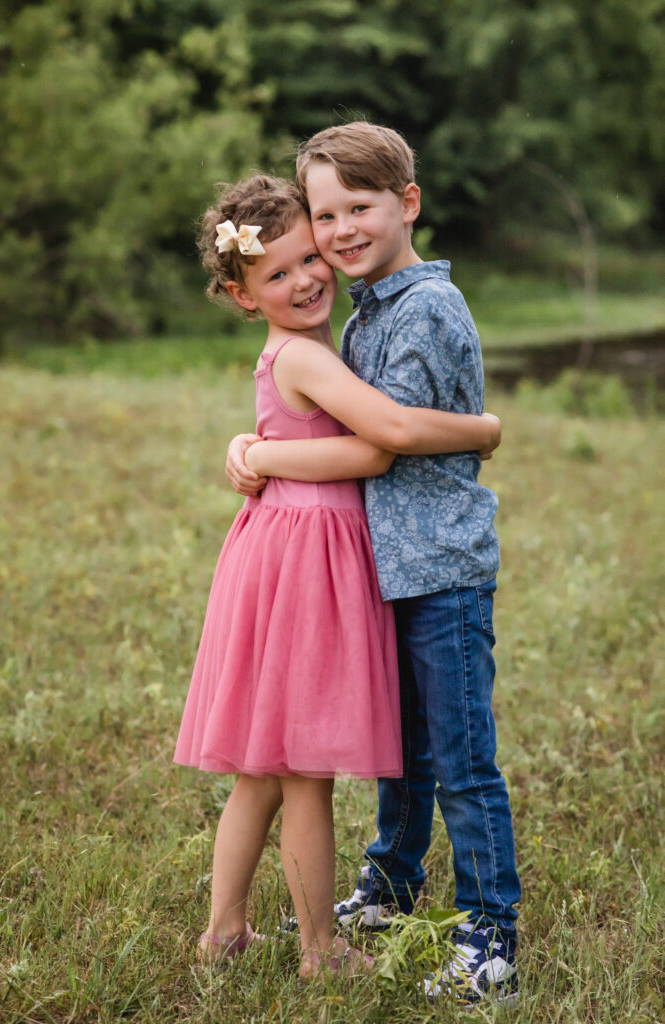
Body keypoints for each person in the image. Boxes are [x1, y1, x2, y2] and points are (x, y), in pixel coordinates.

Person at [174, 173, 501, 982]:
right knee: (303, 771)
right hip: (304, 558)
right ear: (242, 295)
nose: (304, 279)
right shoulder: (307, 357)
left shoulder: (309, 347)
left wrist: (253, 450)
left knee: (262, 770)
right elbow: (376, 446)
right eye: (275, 274)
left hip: (279, 548)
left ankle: (224, 934)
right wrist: (483, 427)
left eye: (306, 258)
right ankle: (321, 953)